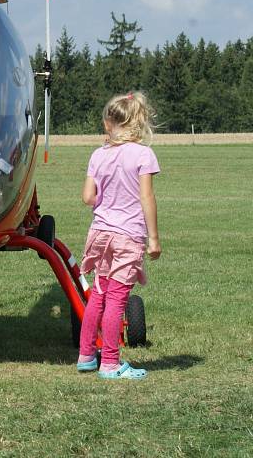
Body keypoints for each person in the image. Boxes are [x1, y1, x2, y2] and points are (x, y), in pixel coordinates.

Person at [76, 91, 161, 380]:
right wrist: (154, 239)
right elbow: (147, 197)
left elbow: (88, 197)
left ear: (108, 123)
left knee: (97, 295)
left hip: (100, 233)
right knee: (116, 299)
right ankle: (110, 363)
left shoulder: (98, 154)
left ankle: (87, 355)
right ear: (139, 122)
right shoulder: (143, 155)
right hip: (128, 236)